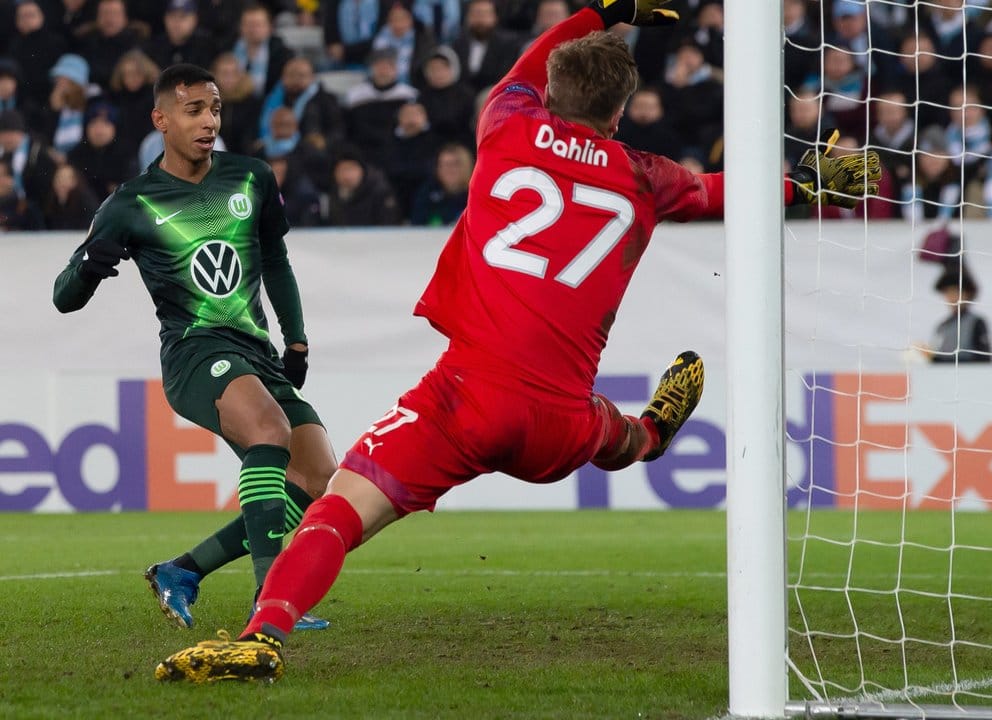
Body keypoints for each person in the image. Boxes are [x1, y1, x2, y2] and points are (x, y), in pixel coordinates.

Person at [155, 0, 880, 684]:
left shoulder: (505, 121)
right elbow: (729, 192)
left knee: (337, 515)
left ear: (550, 89)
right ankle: (650, 432)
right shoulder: (646, 177)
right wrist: (806, 185)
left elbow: (526, 67)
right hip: (558, 423)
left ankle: (261, 639)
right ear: (619, 113)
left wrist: (607, 11)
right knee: (615, 438)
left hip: (464, 397)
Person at [52, 64, 337, 633]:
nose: (209, 122)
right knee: (269, 431)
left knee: (316, 475)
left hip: (254, 350)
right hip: (193, 351)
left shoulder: (251, 178)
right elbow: (64, 296)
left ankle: (182, 571)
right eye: (194, 111)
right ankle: (270, 596)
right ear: (161, 120)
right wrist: (87, 268)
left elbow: (275, 261)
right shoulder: (131, 202)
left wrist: (296, 338)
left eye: (215, 110)